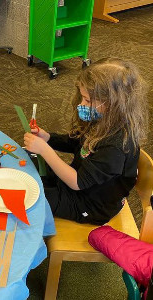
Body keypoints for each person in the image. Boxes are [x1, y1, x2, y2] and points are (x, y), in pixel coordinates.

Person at [24, 58, 148, 225]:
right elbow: (74, 141)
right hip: (80, 185)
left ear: (113, 103)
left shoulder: (116, 147)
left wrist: (45, 150)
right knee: (27, 159)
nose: (81, 104)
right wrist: (48, 138)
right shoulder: (103, 119)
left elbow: (77, 183)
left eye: (88, 101)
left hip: (89, 206)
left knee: (27, 196)